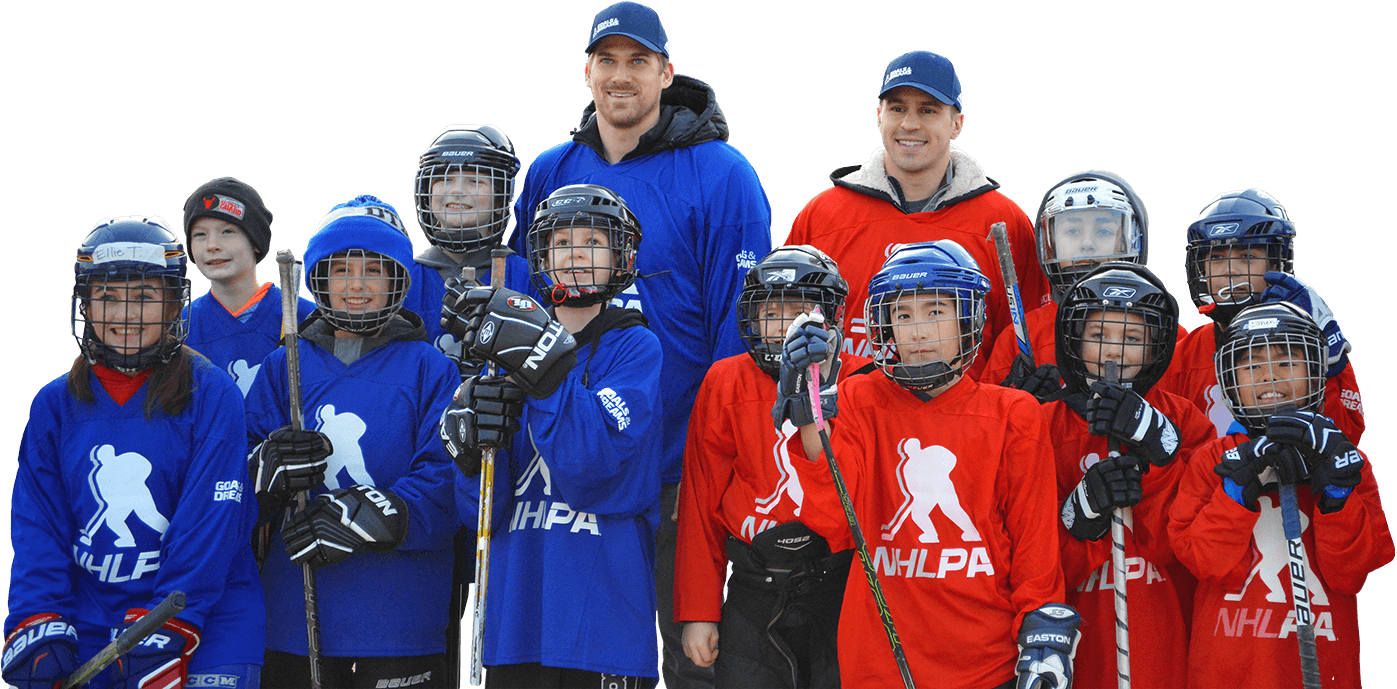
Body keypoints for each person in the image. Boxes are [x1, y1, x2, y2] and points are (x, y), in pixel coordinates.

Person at [507, 4, 772, 685]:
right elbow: (530, 311)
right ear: (587, 71)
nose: (620, 76)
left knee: (692, 654)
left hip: (680, 465)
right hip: (577, 458)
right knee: (587, 652)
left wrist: (716, 456)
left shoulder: (721, 172)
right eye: (607, 61)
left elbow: (737, 327)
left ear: (666, 72)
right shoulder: (549, 168)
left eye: (637, 61)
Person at [778, 241, 1072, 689]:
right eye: (903, 315)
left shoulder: (1014, 412)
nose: (916, 332)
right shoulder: (859, 399)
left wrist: (1042, 634)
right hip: (879, 666)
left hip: (986, 663)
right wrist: (809, 409)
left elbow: (1034, 544)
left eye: (935, 312)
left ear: (969, 318)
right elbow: (833, 519)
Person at [4, 216, 263, 689]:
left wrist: (169, 625)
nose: (125, 315)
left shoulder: (213, 393)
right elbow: (39, 524)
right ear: (84, 303)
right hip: (92, 624)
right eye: (107, 297)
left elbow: (212, 519)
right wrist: (37, 614)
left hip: (204, 620)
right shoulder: (53, 404)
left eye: (144, 296)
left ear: (172, 304)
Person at [443, 184, 663, 688]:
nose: (576, 255)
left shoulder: (637, 347)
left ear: (621, 256)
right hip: (515, 612)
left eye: (593, 241)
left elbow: (593, 463)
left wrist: (539, 363)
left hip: (601, 617)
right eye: (562, 243)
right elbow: (480, 512)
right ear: (541, 255)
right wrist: (471, 453)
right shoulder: (500, 355)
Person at [243, 195, 460, 687]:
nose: (356, 285)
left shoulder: (431, 368)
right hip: (296, 613)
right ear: (318, 280)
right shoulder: (284, 367)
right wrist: (265, 469)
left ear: (398, 281)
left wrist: (376, 514)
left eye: (374, 270)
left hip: (402, 619)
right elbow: (235, 475)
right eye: (340, 269)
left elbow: (450, 476)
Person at [784, 49, 1050, 381]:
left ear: (956, 123)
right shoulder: (823, 214)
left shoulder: (1002, 221)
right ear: (879, 116)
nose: (910, 124)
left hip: (963, 424)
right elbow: (785, 324)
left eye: (928, 110)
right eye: (898, 108)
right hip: (845, 423)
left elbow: (1028, 337)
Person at [674, 245, 870, 688]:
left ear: (830, 316)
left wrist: (820, 395)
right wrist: (699, 612)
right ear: (752, 316)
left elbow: (854, 502)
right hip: (753, 588)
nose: (787, 325)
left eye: (802, 310)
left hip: (838, 585)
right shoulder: (725, 381)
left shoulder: (861, 381)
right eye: (773, 310)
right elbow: (701, 505)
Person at [1168, 301, 1393, 688]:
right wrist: (1234, 495)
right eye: (1251, 366)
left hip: (1319, 666)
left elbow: (1351, 572)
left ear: (1316, 372)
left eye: (1287, 363)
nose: (1269, 377)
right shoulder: (1213, 458)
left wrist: (1337, 497)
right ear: (1229, 381)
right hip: (1228, 669)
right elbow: (1206, 564)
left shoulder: (1346, 457)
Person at [1043, 262, 1214, 688]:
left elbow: (1195, 543)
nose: (1114, 352)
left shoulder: (1182, 417)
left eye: (1133, 338)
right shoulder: (1043, 424)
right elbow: (1030, 555)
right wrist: (1079, 517)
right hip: (1083, 632)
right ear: (1074, 340)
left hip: (1164, 626)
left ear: (1156, 348)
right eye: (1099, 336)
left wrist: (1157, 454)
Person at [1159, 188, 1363, 442]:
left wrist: (1327, 350)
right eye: (1217, 257)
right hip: (1212, 480)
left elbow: (1345, 440)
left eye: (1247, 256)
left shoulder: (1307, 342)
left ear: (1275, 265)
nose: (1230, 270)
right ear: (1201, 269)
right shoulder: (1181, 359)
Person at [980, 169, 1158, 393]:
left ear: (1132, 239)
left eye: (1103, 231)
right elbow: (985, 418)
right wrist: (1017, 406)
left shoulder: (1161, 329)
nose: (1086, 244)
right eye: (1072, 231)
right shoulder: (1022, 335)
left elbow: (1180, 413)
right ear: (1049, 242)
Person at [407, 124, 536, 368]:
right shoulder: (404, 281)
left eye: (475, 181)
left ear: (500, 197)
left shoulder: (529, 277)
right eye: (445, 179)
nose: (456, 191)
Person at [180, 176, 315, 396]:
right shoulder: (182, 325)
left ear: (255, 241)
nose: (212, 245)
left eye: (228, 232)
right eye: (200, 235)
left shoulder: (304, 317)